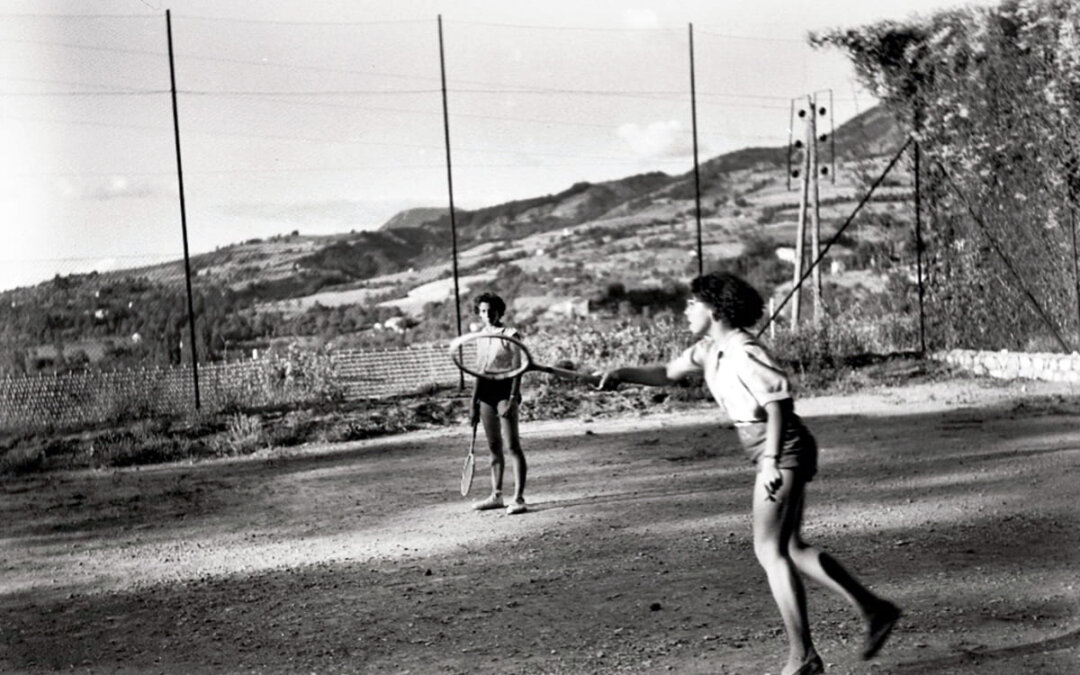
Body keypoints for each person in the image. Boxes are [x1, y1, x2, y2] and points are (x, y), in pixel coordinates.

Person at [598, 272, 900, 675]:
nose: (686, 310)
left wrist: (772, 460)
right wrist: (620, 374)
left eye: (693, 303)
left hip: (782, 446)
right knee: (789, 547)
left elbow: (778, 402)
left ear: (715, 309)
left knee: (769, 550)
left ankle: (804, 657)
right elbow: (667, 373)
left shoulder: (742, 350)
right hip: (769, 447)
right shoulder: (710, 349)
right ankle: (874, 609)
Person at [469, 292, 528, 515]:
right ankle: (496, 495)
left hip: (505, 392)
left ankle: (519, 498)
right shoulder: (481, 336)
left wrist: (513, 398)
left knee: (512, 446)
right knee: (494, 447)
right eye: (483, 311)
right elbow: (479, 372)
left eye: (491, 311)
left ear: (499, 312)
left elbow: (517, 369)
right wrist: (473, 403)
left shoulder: (511, 334)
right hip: (486, 394)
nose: (487, 315)